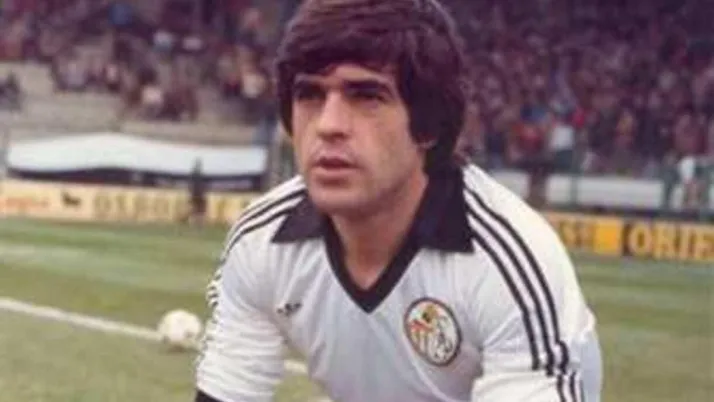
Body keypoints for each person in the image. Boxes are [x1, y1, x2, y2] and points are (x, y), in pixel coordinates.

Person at [195, 0, 602, 401]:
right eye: (310, 95)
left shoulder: (508, 260)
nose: (329, 125)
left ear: (428, 124)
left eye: (367, 97)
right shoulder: (261, 239)